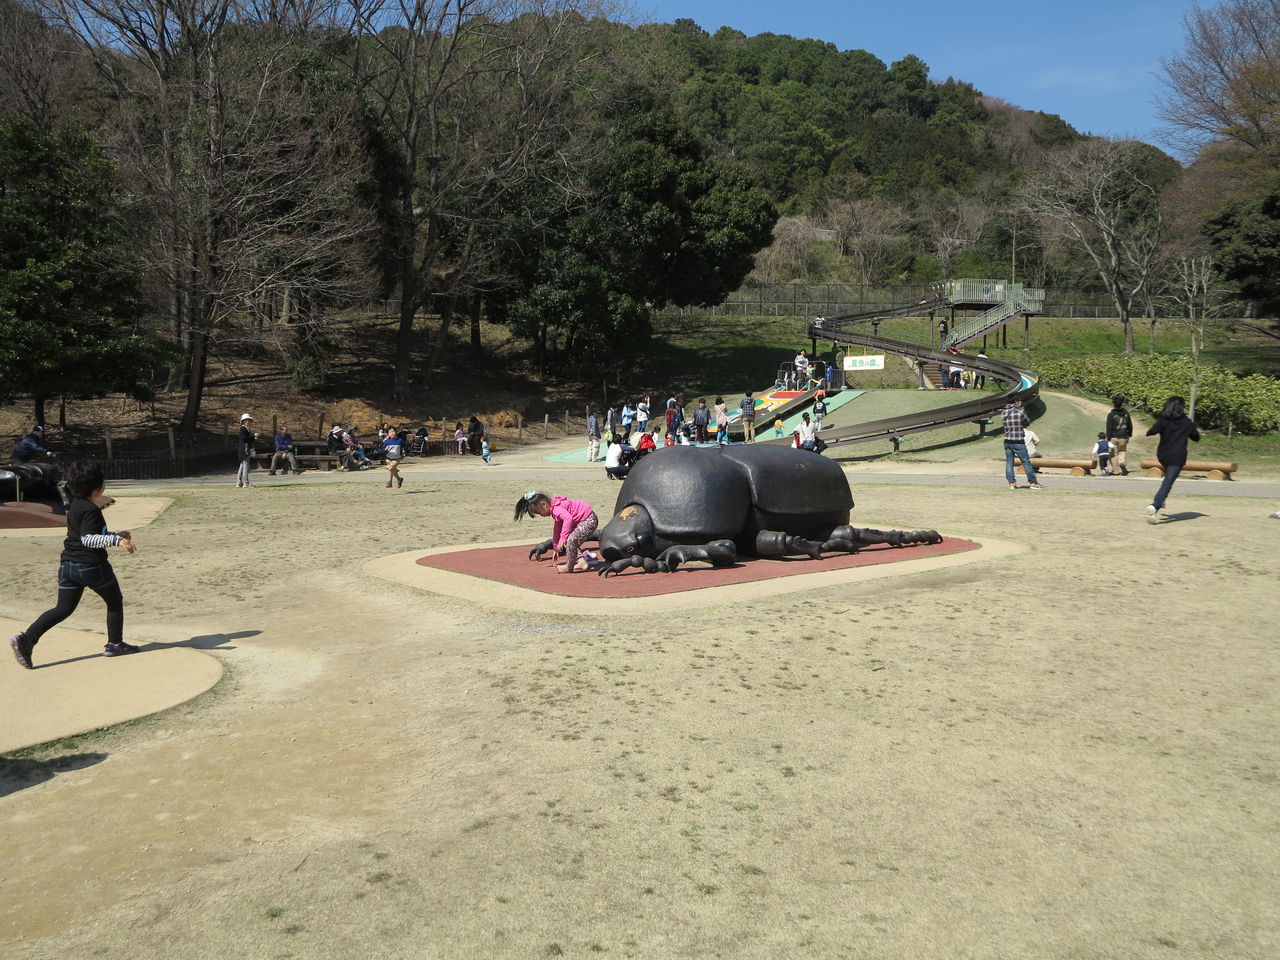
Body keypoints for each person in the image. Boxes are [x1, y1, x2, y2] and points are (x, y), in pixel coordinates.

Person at [10, 460, 139, 669]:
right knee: (114, 601)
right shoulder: (90, 509)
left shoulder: (76, 506)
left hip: (68, 566)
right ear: (97, 486)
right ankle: (115, 644)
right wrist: (116, 541)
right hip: (91, 566)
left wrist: (116, 535)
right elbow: (88, 539)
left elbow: (87, 535)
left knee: (62, 608)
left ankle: (26, 639)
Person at [1145, 395, 1200, 523]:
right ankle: (1155, 506)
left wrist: (1154, 430)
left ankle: (1161, 499)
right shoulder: (1187, 422)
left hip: (1163, 455)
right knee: (1168, 482)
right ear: (1181, 408)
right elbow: (1196, 438)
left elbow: (1151, 432)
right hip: (1177, 456)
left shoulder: (1163, 421)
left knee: (1167, 479)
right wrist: (1193, 428)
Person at [514, 491, 598, 574]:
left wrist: (562, 539)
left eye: (540, 512)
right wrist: (555, 546)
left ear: (544, 504)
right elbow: (557, 529)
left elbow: (568, 519)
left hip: (589, 519)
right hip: (585, 519)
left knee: (570, 540)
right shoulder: (555, 508)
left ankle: (569, 566)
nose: (542, 515)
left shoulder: (556, 509)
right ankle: (581, 562)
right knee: (566, 539)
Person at [1002, 398, 1041, 489]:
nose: (1020, 403)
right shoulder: (1020, 412)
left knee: (1009, 462)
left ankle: (1012, 483)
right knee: (1026, 462)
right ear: (1016, 402)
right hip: (1018, 440)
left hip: (1007, 441)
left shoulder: (1004, 413)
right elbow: (1027, 422)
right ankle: (1033, 483)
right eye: (1019, 402)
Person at [1105, 395, 1133, 476]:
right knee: (1122, 451)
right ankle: (1122, 462)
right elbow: (1130, 425)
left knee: (1113, 454)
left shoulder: (1111, 415)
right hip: (1124, 437)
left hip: (1113, 437)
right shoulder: (1126, 413)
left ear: (1113, 403)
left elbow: (1109, 427)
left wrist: (1108, 438)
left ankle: (1115, 471)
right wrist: (1129, 435)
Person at [236, 413, 258, 488]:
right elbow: (244, 439)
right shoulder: (243, 428)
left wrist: (254, 437)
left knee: (242, 465)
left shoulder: (247, 429)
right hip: (245, 450)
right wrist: (253, 436)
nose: (248, 422)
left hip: (245, 449)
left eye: (249, 420)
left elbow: (248, 439)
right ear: (243, 421)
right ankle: (246, 482)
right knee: (245, 465)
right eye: (246, 420)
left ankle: (239, 482)